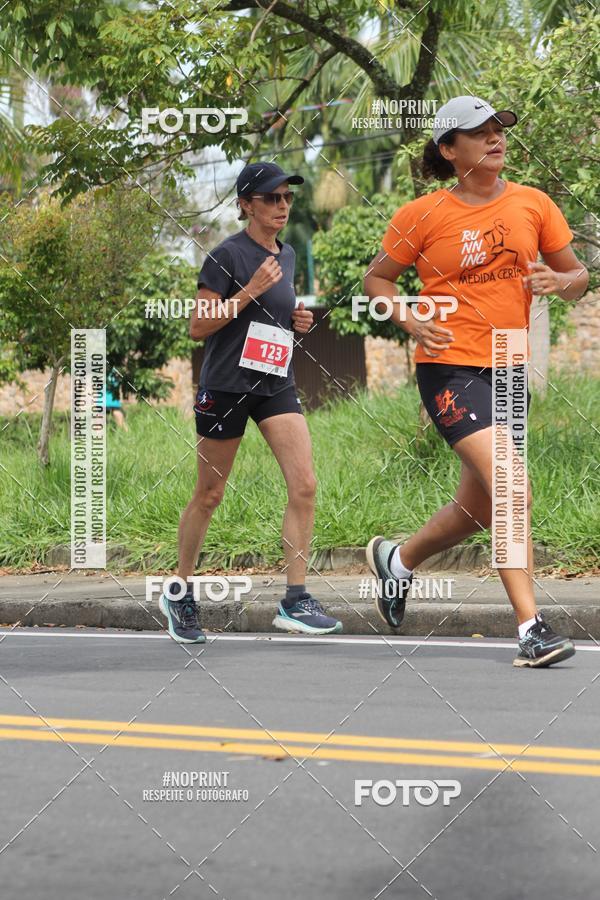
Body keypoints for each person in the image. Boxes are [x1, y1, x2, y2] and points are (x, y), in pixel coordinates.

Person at [364, 96, 589, 668]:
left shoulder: (534, 204)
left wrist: (557, 281)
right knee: (515, 486)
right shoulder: (422, 214)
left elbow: (578, 277)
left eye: (499, 130)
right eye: (479, 132)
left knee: (485, 505)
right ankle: (531, 629)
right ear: (448, 148)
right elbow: (378, 281)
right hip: (450, 366)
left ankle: (397, 561)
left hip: (508, 365)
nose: (495, 139)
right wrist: (409, 316)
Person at [160, 162, 342, 643]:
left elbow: (274, 317)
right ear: (246, 204)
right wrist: (250, 291)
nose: (282, 206)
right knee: (210, 494)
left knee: (304, 484)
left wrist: (296, 322)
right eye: (271, 198)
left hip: (275, 382)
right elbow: (199, 326)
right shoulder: (225, 257)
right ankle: (179, 590)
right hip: (225, 386)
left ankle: (295, 599)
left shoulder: (290, 254)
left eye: (287, 198)